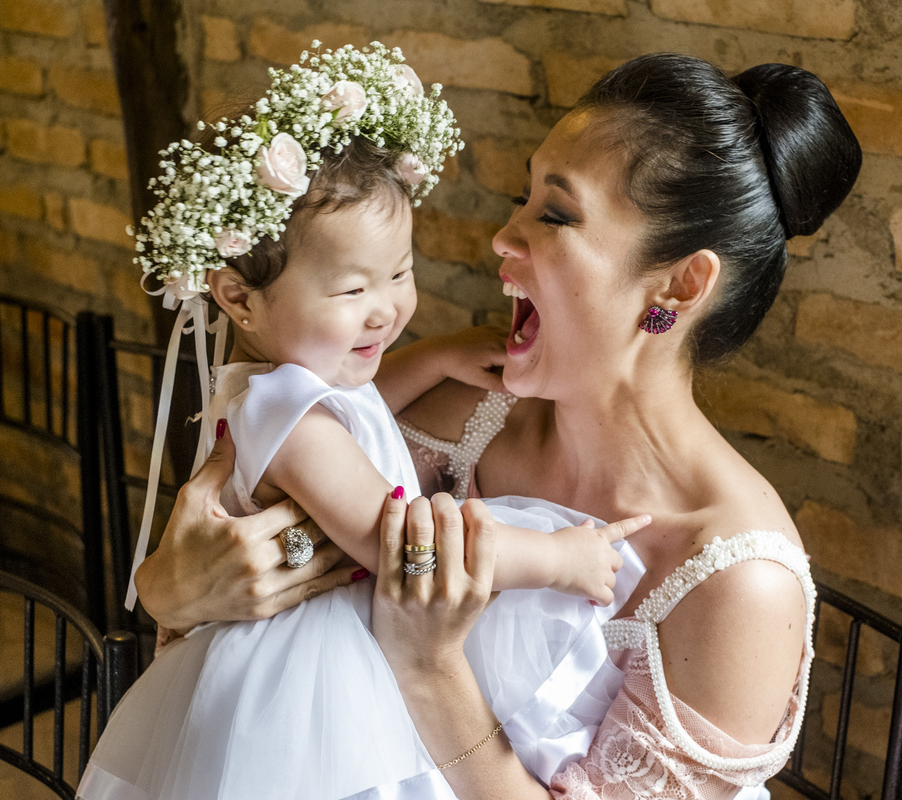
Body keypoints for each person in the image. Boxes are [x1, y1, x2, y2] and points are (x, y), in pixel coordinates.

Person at [137, 52, 863, 799]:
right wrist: (171, 591)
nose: (502, 237)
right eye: (523, 197)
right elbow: (289, 531)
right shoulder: (462, 419)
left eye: (554, 214)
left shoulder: (739, 584)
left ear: (680, 285)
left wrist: (429, 666)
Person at [79, 42, 648, 800]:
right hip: (302, 686)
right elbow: (397, 542)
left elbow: (359, 406)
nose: (387, 308)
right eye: (352, 291)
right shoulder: (288, 412)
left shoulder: (288, 385)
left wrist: (436, 357)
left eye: (401, 273)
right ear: (239, 298)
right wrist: (554, 561)